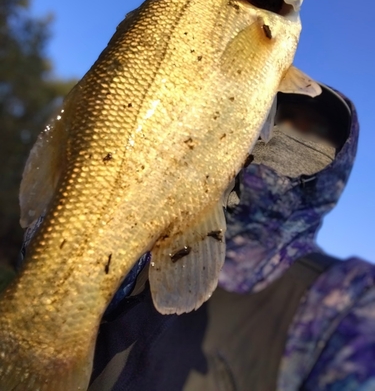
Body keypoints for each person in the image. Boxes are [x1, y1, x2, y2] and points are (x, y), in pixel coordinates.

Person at [87, 84, 375, 391]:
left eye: (314, 128)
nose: (289, 129)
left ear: (337, 166)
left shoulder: (347, 295)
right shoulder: (155, 230)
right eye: (280, 116)